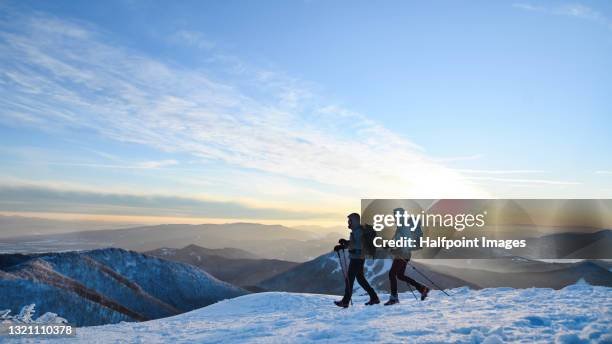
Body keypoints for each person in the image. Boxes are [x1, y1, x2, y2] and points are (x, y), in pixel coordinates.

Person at [333, 213, 380, 308]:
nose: (348, 222)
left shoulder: (358, 231)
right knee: (361, 279)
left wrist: (344, 245)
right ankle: (374, 298)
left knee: (349, 279)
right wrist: (344, 244)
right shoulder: (357, 231)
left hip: (357, 258)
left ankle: (345, 301)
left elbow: (358, 246)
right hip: (358, 258)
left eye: (349, 221)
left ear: (354, 221)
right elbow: (354, 243)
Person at [385, 208, 429, 305]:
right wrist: (389, 245)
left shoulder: (403, 226)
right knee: (400, 275)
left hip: (402, 254)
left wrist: (396, 249)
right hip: (404, 253)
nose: (394, 217)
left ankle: (394, 298)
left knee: (392, 274)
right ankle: (422, 288)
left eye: (395, 215)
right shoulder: (402, 226)